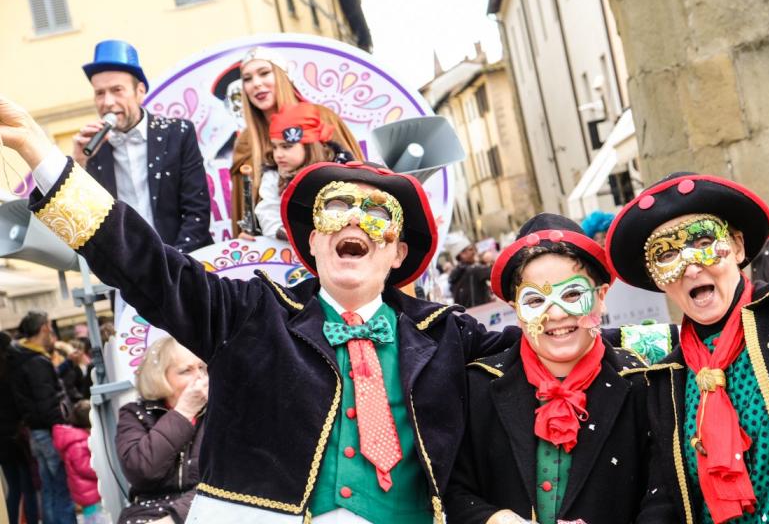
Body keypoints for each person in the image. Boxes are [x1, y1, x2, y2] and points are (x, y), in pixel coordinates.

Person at [1, 94, 520, 523]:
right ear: (312, 242)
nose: (354, 223)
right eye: (337, 208)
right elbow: (144, 264)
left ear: (399, 252)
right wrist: (39, 152)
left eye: (376, 215)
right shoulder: (249, 316)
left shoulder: (448, 335)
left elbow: (547, 353)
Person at [604, 172, 769, 523]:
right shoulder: (668, 379)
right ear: (657, 277)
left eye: (703, 242)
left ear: (738, 247)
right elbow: (665, 497)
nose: (691, 267)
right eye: (667, 254)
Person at [445, 213, 672, 523]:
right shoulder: (478, 387)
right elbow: (455, 490)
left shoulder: (643, 384)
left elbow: (663, 498)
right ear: (516, 310)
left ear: (601, 296)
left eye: (572, 294)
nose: (555, 314)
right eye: (535, 301)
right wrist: (493, 518)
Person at [71, 39, 212, 254]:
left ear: (140, 91)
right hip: (128, 269)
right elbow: (83, 222)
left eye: (117, 90)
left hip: (187, 260)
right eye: (100, 93)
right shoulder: (92, 148)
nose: (107, 102)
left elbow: (197, 211)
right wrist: (79, 163)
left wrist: (175, 264)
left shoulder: (178, 133)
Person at [229, 46, 362, 234]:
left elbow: (358, 180)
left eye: (264, 73)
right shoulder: (246, 141)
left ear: (283, 76)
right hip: (274, 245)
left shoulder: (321, 117)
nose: (256, 83)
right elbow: (245, 211)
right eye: (247, 79)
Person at [116, 336, 207, 524]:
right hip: (147, 512)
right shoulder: (135, 414)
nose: (200, 377)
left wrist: (175, 518)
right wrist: (183, 413)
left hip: (207, 510)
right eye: (186, 371)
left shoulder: (220, 413)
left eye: (202, 368)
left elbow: (230, 481)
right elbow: (141, 472)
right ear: (158, 377)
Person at [9, 311, 76, 524]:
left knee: (49, 489)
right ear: (44, 328)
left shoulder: (21, 357)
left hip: (35, 432)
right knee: (61, 489)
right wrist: (62, 424)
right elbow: (47, 403)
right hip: (48, 432)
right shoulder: (35, 361)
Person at [249, 102, 353, 240]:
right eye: (274, 147)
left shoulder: (340, 171)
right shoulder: (274, 176)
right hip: (291, 248)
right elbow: (268, 213)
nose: (278, 154)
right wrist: (290, 235)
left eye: (286, 146)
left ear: (309, 146)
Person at [0, 331, 39, 524]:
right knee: (28, 488)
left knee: (13, 489)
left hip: (2, 442)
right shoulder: (12, 371)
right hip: (18, 437)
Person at [52, 400, 108, 524]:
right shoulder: (78, 443)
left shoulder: (76, 439)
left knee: (94, 517)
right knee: (95, 519)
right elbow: (84, 467)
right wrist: (101, 469)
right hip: (88, 492)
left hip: (85, 490)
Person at [447, 234, 494, 308]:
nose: (474, 252)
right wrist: (491, 261)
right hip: (482, 311)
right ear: (462, 254)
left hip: (465, 312)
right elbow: (496, 274)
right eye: (471, 249)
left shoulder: (455, 273)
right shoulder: (474, 270)